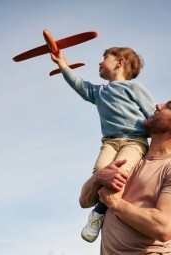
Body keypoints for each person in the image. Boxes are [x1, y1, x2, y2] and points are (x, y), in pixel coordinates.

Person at [79, 94, 171, 254]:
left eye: (168, 106)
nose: (158, 105)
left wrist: (116, 203)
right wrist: (98, 178)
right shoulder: (129, 157)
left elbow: (164, 227)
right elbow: (84, 201)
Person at [51, 47, 156, 242]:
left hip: (134, 140)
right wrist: (62, 64)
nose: (100, 62)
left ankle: (98, 212)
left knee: (120, 173)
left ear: (120, 62)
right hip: (110, 142)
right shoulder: (99, 91)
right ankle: (97, 204)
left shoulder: (134, 88)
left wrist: (161, 137)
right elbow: (79, 84)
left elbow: (152, 114)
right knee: (100, 171)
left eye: (105, 57)